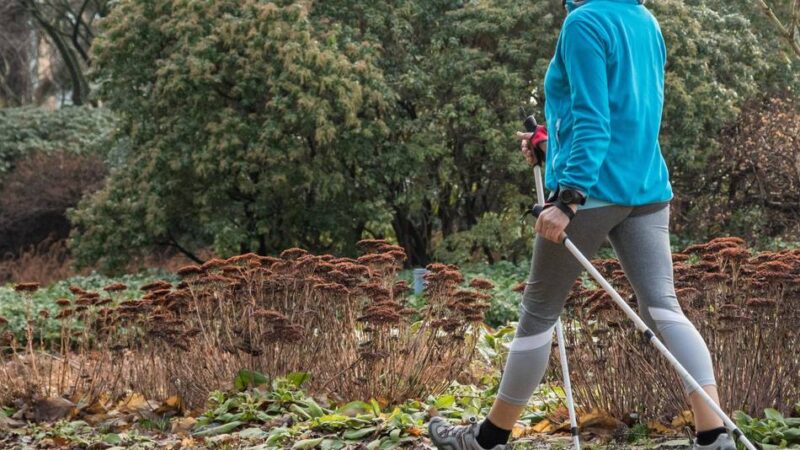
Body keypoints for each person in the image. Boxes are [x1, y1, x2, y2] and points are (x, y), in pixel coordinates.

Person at [428, 1, 737, 449]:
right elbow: (626, 111)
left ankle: (487, 438)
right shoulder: (643, 20)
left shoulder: (584, 22)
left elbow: (595, 119)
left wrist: (568, 198)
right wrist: (551, 144)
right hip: (646, 187)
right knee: (664, 309)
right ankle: (715, 437)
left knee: (538, 313)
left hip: (591, 193)